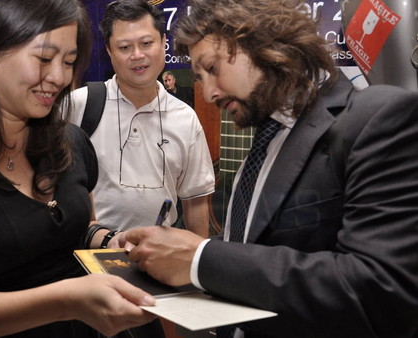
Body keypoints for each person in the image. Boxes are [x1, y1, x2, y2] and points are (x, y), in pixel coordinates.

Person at [125, 0, 418, 337]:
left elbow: (381, 292)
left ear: (259, 40)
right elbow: (260, 244)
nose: (209, 93)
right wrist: (166, 256)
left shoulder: (376, 118)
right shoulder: (266, 142)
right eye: (200, 78)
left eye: (212, 68)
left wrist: (200, 258)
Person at [0, 0, 157, 337]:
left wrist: (112, 242)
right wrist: (65, 301)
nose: (58, 77)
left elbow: (79, 225)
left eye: (69, 62)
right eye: (43, 59)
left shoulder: (70, 141)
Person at [69, 0, 215, 241]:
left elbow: (196, 201)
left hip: (156, 259)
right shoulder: (79, 105)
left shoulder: (185, 118)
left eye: (146, 43)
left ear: (163, 43)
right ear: (109, 51)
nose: (137, 55)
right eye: (125, 47)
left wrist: (195, 265)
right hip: (85, 257)